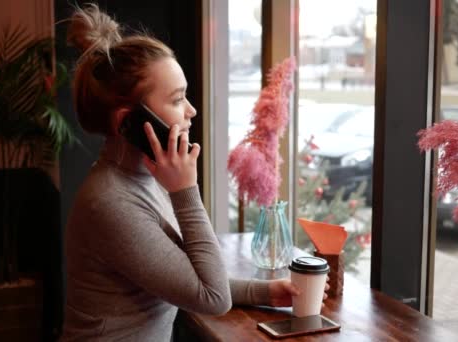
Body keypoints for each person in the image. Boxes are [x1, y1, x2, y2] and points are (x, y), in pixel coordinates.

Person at [62, 4, 326, 341]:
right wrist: (186, 190)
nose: (192, 110)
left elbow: (183, 277)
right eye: (176, 99)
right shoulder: (110, 202)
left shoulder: (144, 179)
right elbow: (212, 297)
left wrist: (264, 292)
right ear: (128, 122)